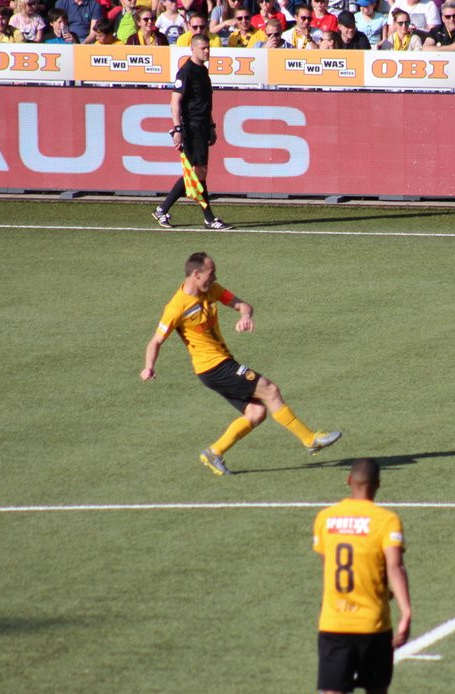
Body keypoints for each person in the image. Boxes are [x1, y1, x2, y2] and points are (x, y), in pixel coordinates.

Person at [141, 252, 343, 476]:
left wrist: (245, 316)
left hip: (221, 363)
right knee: (270, 389)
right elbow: (156, 340)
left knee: (256, 413)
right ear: (196, 274)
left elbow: (242, 305)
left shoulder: (212, 290)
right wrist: (149, 366)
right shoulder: (176, 308)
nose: (215, 278)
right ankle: (310, 439)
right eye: (212, 273)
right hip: (213, 367)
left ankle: (213, 452)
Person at [312, 458, 411, 694]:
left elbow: (328, 564)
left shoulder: (325, 518)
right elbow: (395, 567)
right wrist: (406, 611)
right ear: (378, 484)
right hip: (373, 626)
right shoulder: (386, 521)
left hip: (334, 623)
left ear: (348, 481)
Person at [152, 36, 233, 231]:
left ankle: (163, 209)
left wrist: (212, 126)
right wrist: (177, 129)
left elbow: (205, 103)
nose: (207, 51)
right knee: (197, 173)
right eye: (203, 48)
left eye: (208, 48)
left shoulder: (203, 71)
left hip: (203, 126)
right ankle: (208, 218)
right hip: (191, 127)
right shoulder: (186, 72)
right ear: (193, 49)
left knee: (196, 173)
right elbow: (175, 101)